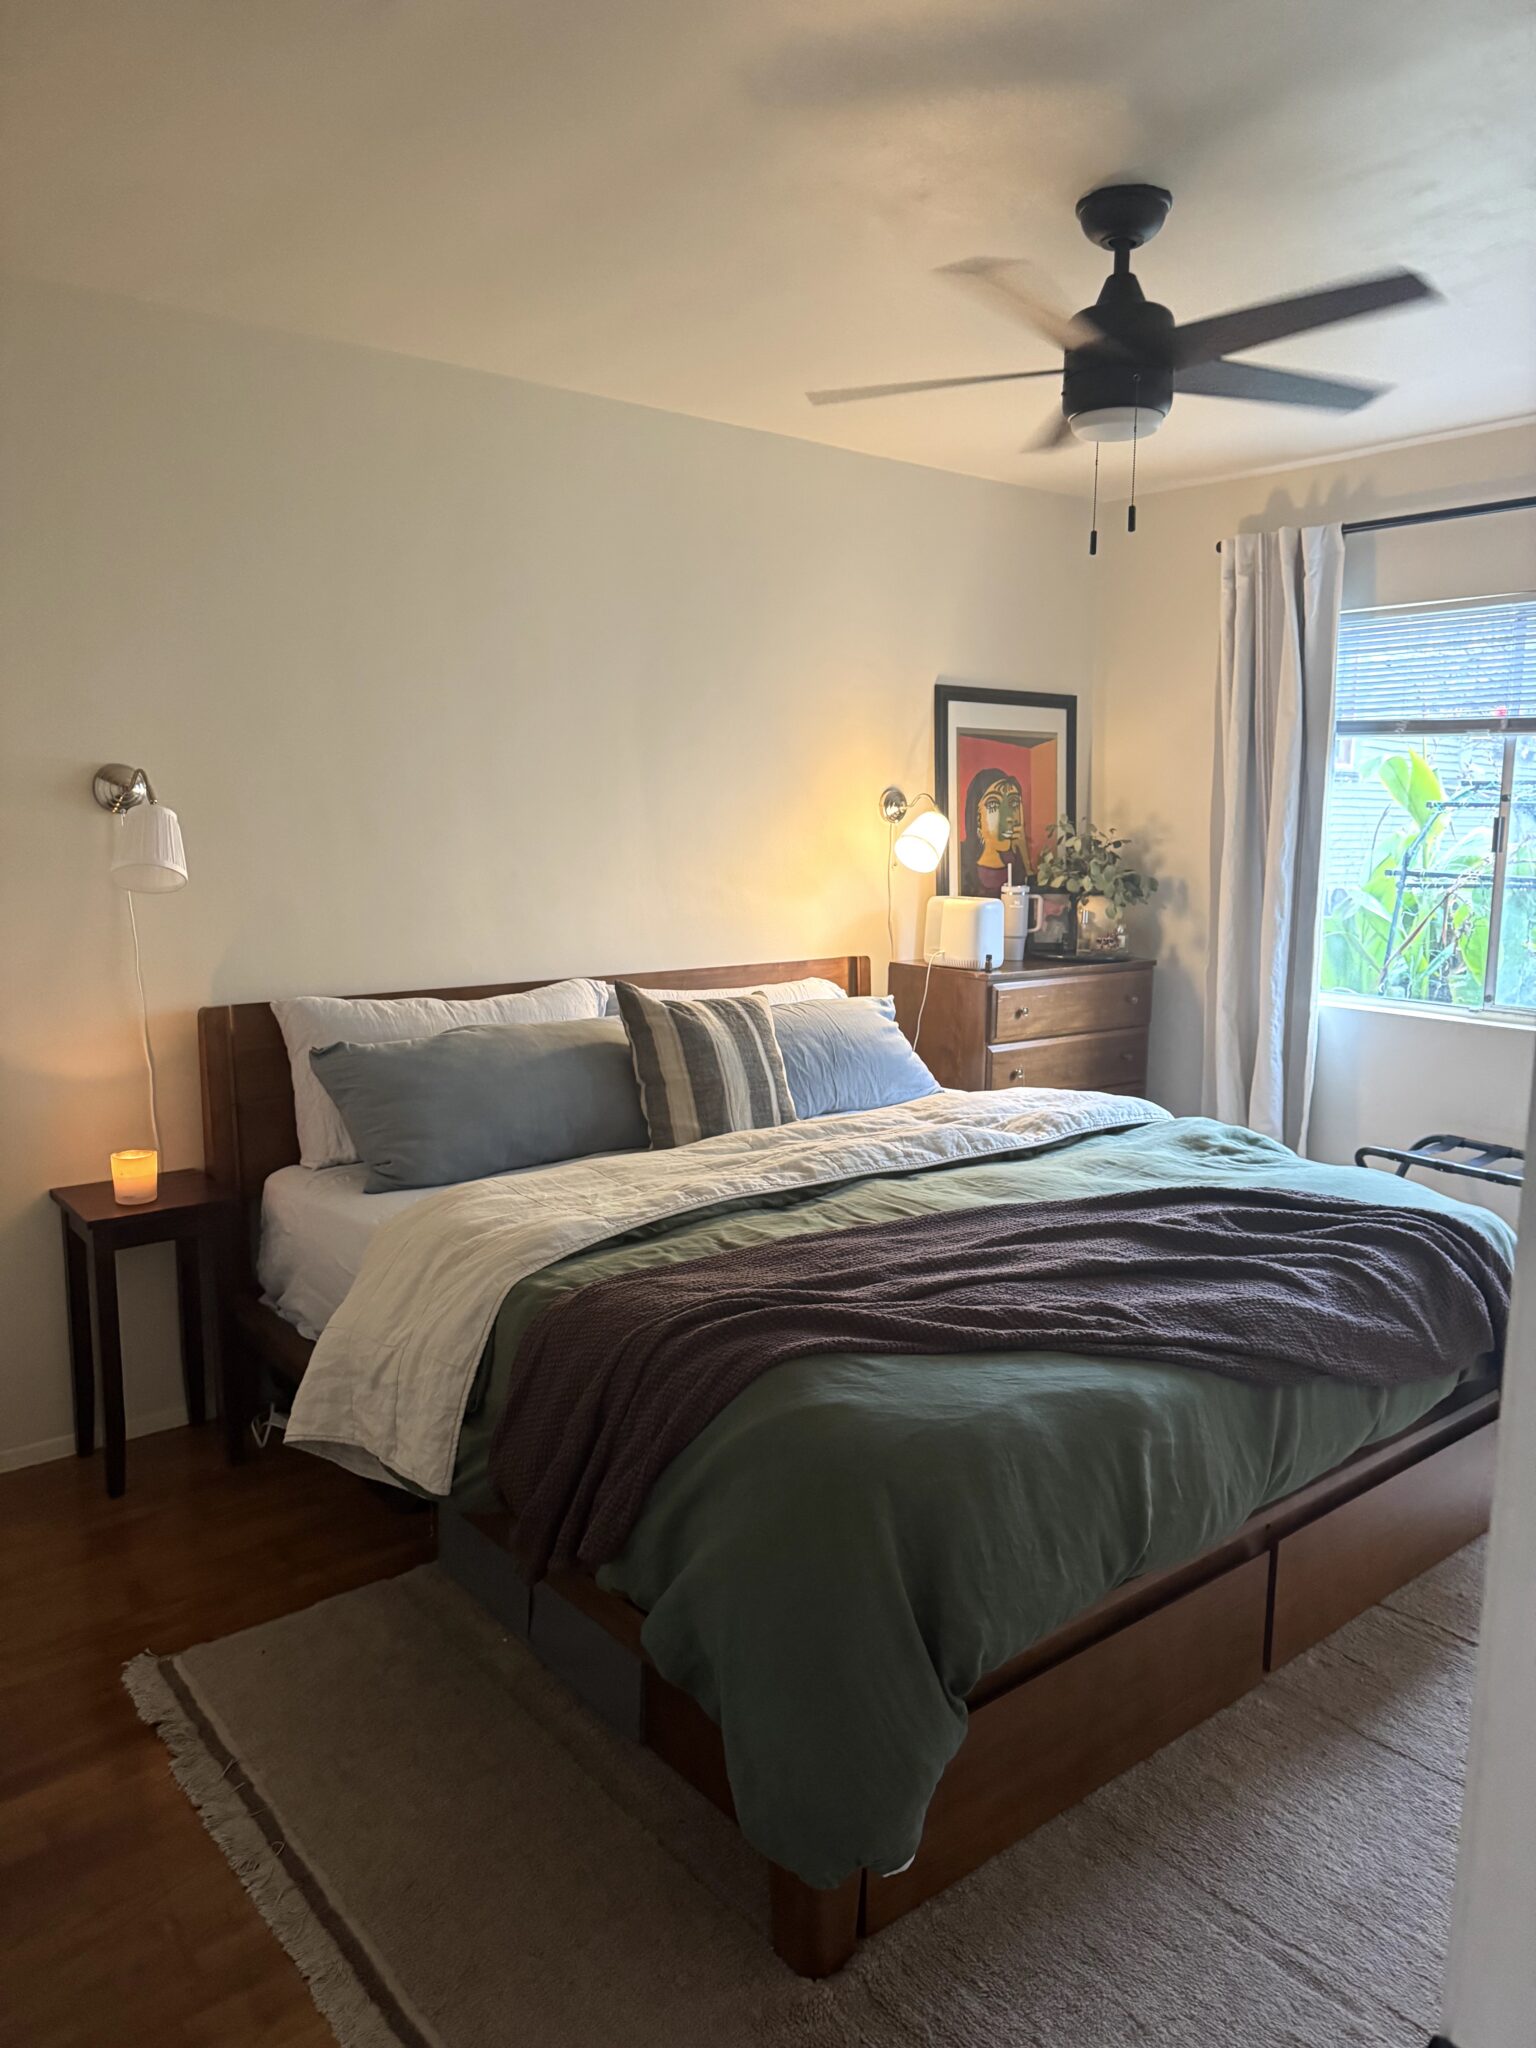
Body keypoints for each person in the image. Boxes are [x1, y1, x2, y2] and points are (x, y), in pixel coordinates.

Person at [959, 767, 1028, 897]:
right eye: (993, 805)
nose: (1008, 817)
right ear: (977, 817)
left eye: (1013, 804)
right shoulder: (959, 858)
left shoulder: (1018, 862)